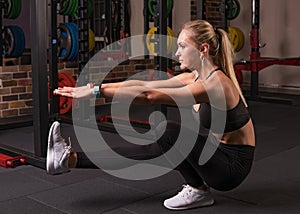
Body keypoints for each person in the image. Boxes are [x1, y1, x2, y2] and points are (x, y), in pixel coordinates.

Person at [47, 20, 255, 211]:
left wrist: (96, 93)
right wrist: (95, 88)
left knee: (170, 132)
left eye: (182, 46)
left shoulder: (215, 85)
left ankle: (198, 189)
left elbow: (149, 96)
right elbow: (144, 84)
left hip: (230, 168)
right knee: (157, 145)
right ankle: (69, 160)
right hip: (215, 153)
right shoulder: (194, 77)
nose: (177, 52)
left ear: (203, 49)